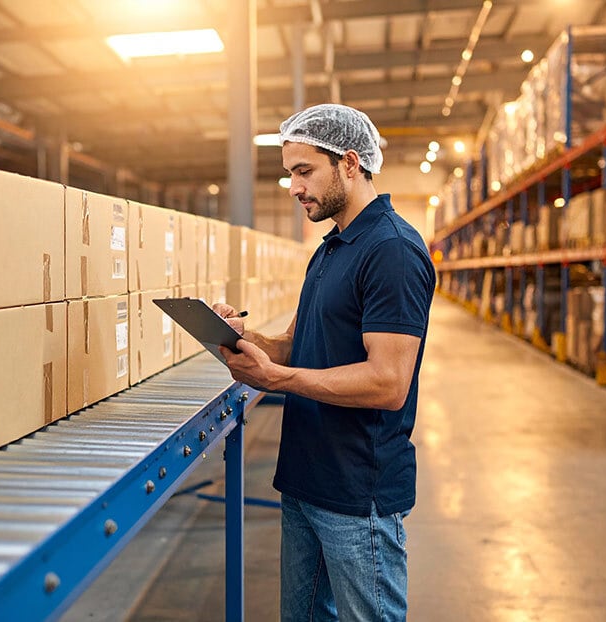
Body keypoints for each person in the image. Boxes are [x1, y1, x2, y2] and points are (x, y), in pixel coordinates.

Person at [213, 103, 436, 621]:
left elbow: (388, 383)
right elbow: (298, 344)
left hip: (359, 496)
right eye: (290, 173)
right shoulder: (331, 248)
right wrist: (245, 339)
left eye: (303, 171)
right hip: (305, 480)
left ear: (351, 164)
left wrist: (277, 379)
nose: (293, 187)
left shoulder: (393, 251)